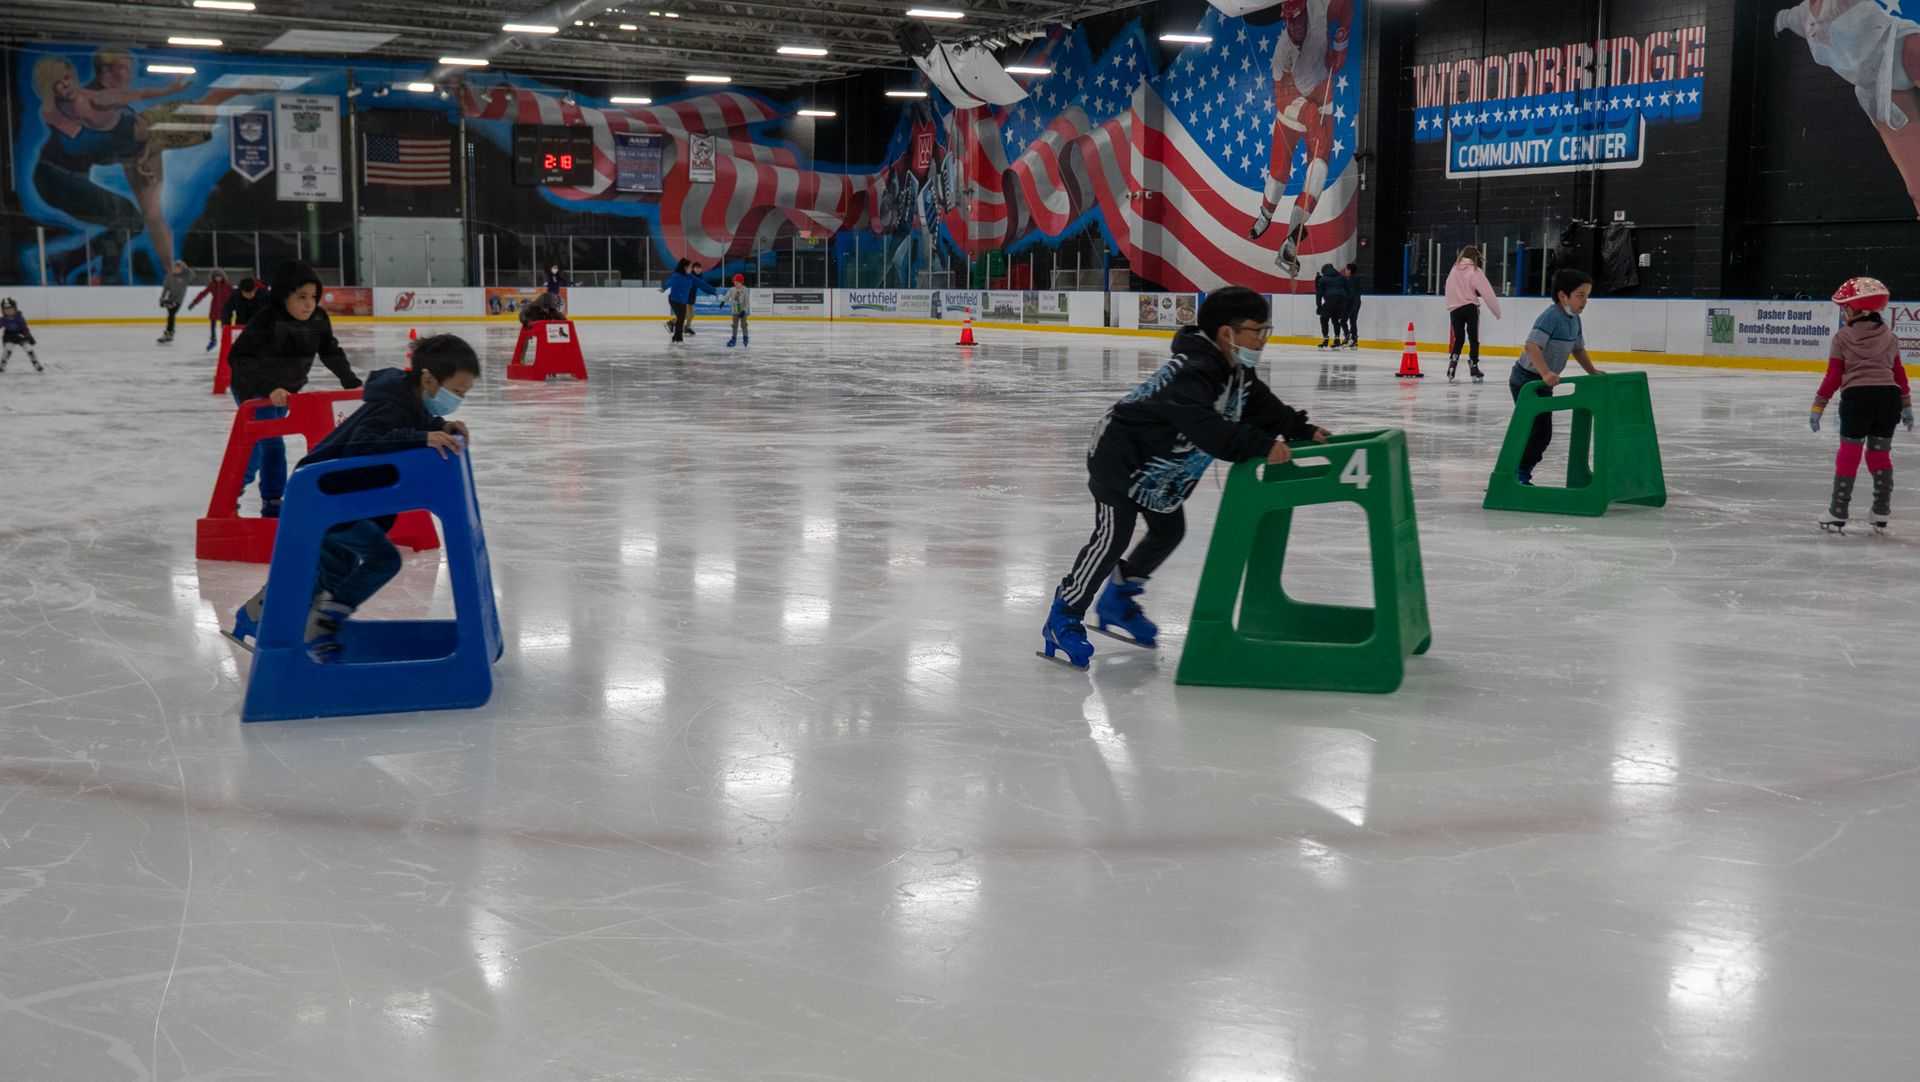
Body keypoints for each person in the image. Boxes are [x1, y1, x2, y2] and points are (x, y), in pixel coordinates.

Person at [1041, 286, 1330, 668]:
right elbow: (1206, 428)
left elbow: (1259, 404)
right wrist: (1260, 445)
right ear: (1228, 333)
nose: (1262, 339)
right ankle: (1064, 616)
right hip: (1120, 461)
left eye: (1265, 330)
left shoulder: (1235, 370)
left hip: (1159, 474)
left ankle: (1118, 598)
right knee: (1112, 538)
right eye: (1257, 330)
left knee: (1168, 531)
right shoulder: (1190, 372)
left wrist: (1300, 428)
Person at [229, 334, 479, 660]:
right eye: (456, 392)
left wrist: (443, 425)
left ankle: (254, 614)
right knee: (382, 560)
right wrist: (423, 437)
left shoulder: (409, 402)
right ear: (429, 379)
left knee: (331, 569)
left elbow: (413, 424)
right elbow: (366, 442)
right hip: (326, 495)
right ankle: (324, 622)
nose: (458, 399)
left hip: (340, 498)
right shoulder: (392, 404)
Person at [226, 261, 363, 518]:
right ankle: (257, 499)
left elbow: (330, 351)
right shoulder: (267, 319)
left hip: (285, 393)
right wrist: (268, 389)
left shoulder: (318, 319)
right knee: (266, 444)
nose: (309, 304)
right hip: (254, 389)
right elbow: (238, 358)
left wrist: (350, 381)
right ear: (284, 295)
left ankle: (259, 497)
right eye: (301, 297)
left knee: (264, 444)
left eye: (313, 297)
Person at [1776, 0, 1920, 218]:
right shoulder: (1802, 15)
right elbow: (1783, 19)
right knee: (1917, 189)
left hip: (1901, 48)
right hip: (1878, 90)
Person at [1245, 0, 1355, 277]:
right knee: (1279, 173)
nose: (1294, 25)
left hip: (1321, 106)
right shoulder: (1282, 55)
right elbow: (1283, 100)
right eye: (1289, 20)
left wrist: (1343, 35)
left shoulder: (1318, 9)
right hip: (1292, 114)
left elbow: (1345, 8)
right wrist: (1306, 112)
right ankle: (1266, 215)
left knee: (1318, 168)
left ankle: (1292, 238)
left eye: (1297, 18)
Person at [1812, 276, 1915, 532]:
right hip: (1888, 399)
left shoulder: (1842, 338)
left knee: (1850, 453)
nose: (1842, 312)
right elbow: (1899, 373)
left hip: (1858, 399)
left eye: (1844, 308)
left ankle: (1838, 512)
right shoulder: (1890, 337)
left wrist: (1818, 406)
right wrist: (1906, 405)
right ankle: (1881, 511)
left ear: (1854, 309)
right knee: (1879, 454)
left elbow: (1834, 376)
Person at [1509, 268, 1603, 486]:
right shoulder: (1551, 316)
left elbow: (1578, 349)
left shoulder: (1574, 320)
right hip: (1526, 380)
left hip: (1542, 383)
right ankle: (1518, 474)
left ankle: (1520, 472)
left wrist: (1592, 371)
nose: (1585, 301)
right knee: (1538, 431)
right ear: (1563, 296)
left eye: (1587, 296)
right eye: (1580, 295)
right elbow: (1532, 346)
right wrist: (1545, 372)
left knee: (1540, 432)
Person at [1443, 245, 1503, 382]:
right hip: (1470, 308)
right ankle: (1474, 366)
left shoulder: (1454, 269)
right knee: (1473, 339)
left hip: (1455, 309)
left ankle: (1453, 363)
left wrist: (1451, 305)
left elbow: (1448, 287)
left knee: (1459, 339)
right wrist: (1497, 311)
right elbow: (1487, 292)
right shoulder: (1475, 270)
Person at [661, 259, 716, 343]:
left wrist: (713, 291)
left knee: (681, 318)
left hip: (683, 300)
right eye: (690, 267)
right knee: (681, 318)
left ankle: (676, 336)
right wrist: (664, 288)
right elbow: (668, 283)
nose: (691, 268)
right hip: (674, 300)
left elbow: (701, 284)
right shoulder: (676, 276)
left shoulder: (690, 276)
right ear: (685, 267)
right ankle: (678, 337)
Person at [188, 269, 233, 351]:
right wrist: (194, 303)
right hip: (214, 308)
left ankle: (227, 341)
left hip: (225, 309)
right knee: (212, 325)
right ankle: (213, 340)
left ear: (223, 277)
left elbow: (235, 295)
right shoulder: (212, 285)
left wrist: (234, 306)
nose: (218, 278)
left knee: (225, 326)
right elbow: (203, 294)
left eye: (219, 277)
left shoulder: (227, 285)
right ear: (213, 277)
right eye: (216, 277)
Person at [1, 298, 45, 373]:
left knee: (28, 348)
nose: (8, 311)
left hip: (20, 334)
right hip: (9, 336)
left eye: (10, 309)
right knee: (8, 348)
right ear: (2, 310)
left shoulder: (19, 318)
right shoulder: (2, 319)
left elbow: (24, 328)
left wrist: (28, 335)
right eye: (6, 309)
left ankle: (35, 362)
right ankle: (2, 364)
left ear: (15, 309)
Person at [157, 260, 190, 344]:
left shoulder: (185, 277)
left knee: (171, 314)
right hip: (170, 299)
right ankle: (170, 332)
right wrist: (162, 298)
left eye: (179, 268)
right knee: (171, 315)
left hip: (178, 300)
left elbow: (192, 273)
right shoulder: (169, 276)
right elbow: (165, 288)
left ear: (182, 269)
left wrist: (183, 264)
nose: (176, 269)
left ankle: (169, 333)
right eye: (175, 267)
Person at [1313, 263, 1341, 348]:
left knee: (1324, 319)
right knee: (1335, 321)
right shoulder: (1341, 278)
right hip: (1340, 303)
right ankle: (1337, 339)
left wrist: (1319, 306)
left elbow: (1319, 294)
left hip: (1329, 302)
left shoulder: (1323, 279)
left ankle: (1325, 339)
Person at [1336, 262, 1361, 348]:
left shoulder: (1351, 280)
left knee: (1345, 320)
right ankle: (1352, 339)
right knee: (1350, 321)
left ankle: (1350, 338)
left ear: (1350, 270)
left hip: (1352, 302)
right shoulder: (1351, 279)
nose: (1345, 271)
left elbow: (1350, 293)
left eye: (1346, 269)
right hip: (1355, 302)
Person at [725, 273, 750, 348]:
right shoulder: (732, 289)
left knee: (744, 325)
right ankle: (733, 340)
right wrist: (723, 301)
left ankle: (745, 338)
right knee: (734, 326)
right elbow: (727, 296)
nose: (735, 283)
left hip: (743, 311)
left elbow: (747, 302)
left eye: (737, 282)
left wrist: (744, 310)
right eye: (734, 282)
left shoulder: (745, 290)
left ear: (741, 282)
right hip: (735, 311)